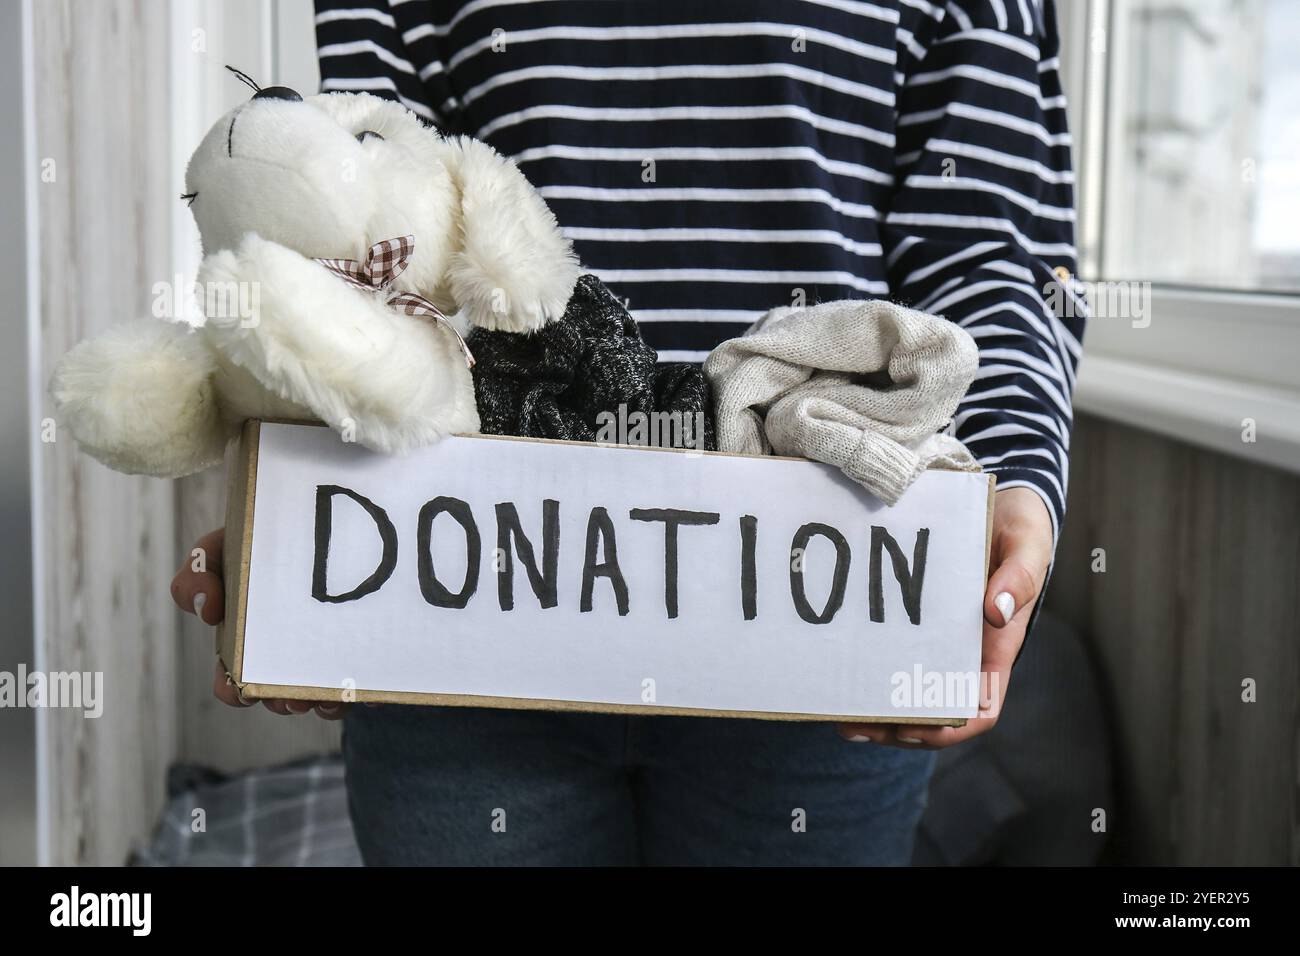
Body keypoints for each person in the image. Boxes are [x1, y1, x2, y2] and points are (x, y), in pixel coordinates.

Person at [171, 0, 1079, 865]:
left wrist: (1014, 488)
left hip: (824, 598)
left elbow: (982, 253)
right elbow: (368, 235)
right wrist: (302, 493)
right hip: (463, 597)